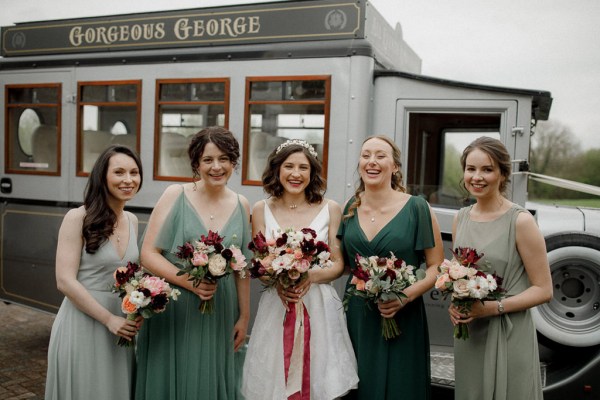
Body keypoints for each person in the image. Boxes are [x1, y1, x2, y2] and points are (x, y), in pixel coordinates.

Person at [135, 126, 251, 400]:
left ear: (233, 162)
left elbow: (242, 270)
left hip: (220, 310)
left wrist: (244, 318)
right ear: (196, 163)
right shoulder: (176, 194)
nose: (216, 167)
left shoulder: (242, 203)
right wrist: (189, 281)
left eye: (224, 159)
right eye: (208, 160)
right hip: (176, 305)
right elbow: (149, 253)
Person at [242, 139, 359, 400]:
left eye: (303, 168)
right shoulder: (262, 209)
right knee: (273, 381)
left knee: (319, 379)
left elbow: (339, 265)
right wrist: (277, 279)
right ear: (277, 169)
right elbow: (260, 263)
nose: (296, 174)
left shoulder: (331, 208)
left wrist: (309, 275)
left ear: (312, 172)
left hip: (318, 305)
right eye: (289, 166)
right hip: (278, 305)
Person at [337, 135, 444, 400]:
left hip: (402, 314)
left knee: (401, 386)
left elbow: (436, 266)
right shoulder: (351, 207)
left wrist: (403, 296)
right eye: (365, 155)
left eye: (380, 156)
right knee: (360, 385)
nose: (372, 162)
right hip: (358, 314)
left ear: (395, 166)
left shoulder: (417, 207)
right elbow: (343, 265)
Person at [448, 136, 552, 400]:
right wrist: (456, 305)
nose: (477, 177)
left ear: (503, 174)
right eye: (471, 169)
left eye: (487, 169)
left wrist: (492, 308)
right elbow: (460, 275)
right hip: (470, 336)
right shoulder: (460, 219)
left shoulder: (520, 221)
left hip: (509, 332)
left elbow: (543, 289)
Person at [45, 145, 143, 400]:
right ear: (102, 177)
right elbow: (64, 281)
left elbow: (132, 276)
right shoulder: (77, 217)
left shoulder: (132, 220)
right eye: (119, 172)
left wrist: (142, 306)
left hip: (122, 326)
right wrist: (109, 320)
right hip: (84, 323)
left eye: (134, 172)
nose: (128, 180)